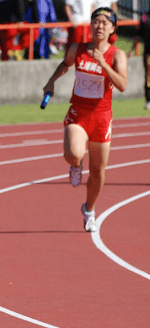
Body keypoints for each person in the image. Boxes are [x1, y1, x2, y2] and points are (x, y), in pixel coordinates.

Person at [42, 7, 126, 232]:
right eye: (96, 21)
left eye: (104, 22)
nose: (99, 26)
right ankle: (76, 166)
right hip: (79, 113)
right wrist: (51, 82)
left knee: (98, 172)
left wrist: (103, 63)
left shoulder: (117, 55)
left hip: (101, 117)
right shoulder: (77, 49)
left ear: (112, 28)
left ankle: (89, 209)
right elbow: (65, 64)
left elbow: (122, 85)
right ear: (90, 26)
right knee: (74, 154)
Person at [127, 9, 150, 110]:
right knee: (149, 76)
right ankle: (149, 100)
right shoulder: (145, 17)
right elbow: (139, 34)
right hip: (149, 51)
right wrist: (132, 50)